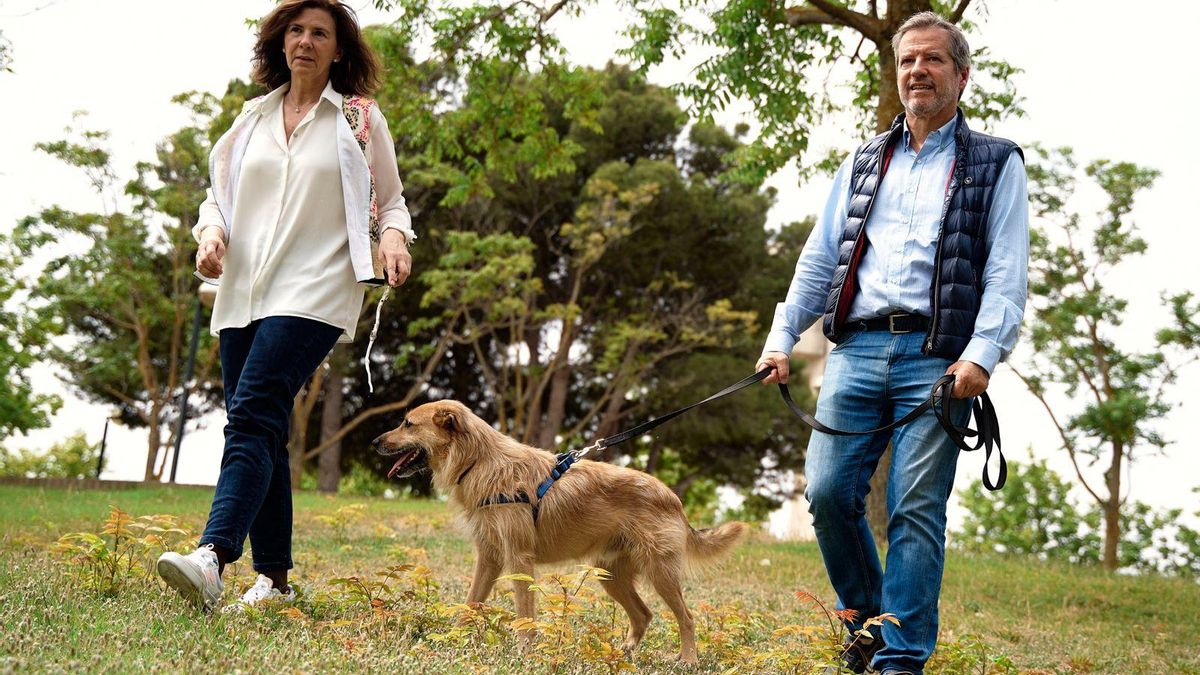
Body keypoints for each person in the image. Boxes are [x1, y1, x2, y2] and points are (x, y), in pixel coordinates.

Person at [756, 12, 1027, 675]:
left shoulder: (998, 161)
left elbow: (1006, 272)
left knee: (915, 506)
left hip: (939, 359)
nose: (917, 71)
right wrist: (781, 337)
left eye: (933, 60)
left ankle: (900, 657)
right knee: (826, 492)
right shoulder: (864, 159)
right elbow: (820, 260)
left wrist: (981, 354)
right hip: (854, 350)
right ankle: (872, 621)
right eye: (907, 61)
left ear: (961, 75)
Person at [156, 0, 415, 613]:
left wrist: (394, 237)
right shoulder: (251, 119)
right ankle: (274, 580)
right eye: (295, 30)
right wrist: (210, 236)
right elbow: (217, 200)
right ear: (280, 42)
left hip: (318, 287)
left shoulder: (358, 119)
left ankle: (213, 556)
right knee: (262, 428)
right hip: (245, 287)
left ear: (338, 49)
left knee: (253, 412)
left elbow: (394, 201)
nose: (305, 41)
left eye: (320, 33)